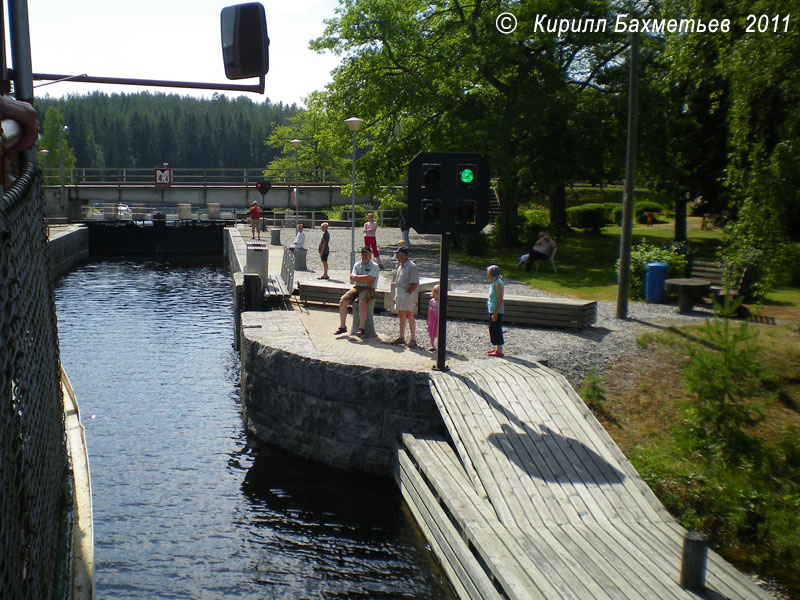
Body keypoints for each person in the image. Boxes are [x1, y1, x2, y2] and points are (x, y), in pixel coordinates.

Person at [335, 246, 380, 336]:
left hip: (369, 289)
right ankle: (342, 326)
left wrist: (358, 278)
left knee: (362, 302)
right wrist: (364, 279)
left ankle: (362, 327)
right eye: (363, 254)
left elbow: (369, 278)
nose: (364, 256)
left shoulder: (374, 266)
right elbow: (352, 277)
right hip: (357, 287)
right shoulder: (357, 264)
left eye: (366, 254)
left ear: (370, 255)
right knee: (342, 301)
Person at [387, 247, 420, 347]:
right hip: (400, 293)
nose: (396, 256)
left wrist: (407, 294)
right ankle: (401, 337)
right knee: (401, 314)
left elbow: (415, 283)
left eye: (398, 254)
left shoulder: (411, 266)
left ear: (403, 255)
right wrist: (396, 296)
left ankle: (413, 339)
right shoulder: (400, 266)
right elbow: (398, 282)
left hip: (406, 293)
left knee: (409, 314)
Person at [487, 265, 505, 357]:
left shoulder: (498, 284)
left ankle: (500, 350)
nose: (488, 276)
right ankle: (497, 348)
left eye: (489, 275)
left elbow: (500, 299)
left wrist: (495, 313)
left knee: (497, 329)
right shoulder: (494, 283)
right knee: (493, 328)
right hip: (492, 309)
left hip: (496, 310)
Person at [426, 284, 440, 352]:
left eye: (439, 292)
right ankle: (432, 344)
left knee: (438, 331)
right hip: (432, 318)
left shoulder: (441, 302)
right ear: (433, 292)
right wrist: (428, 320)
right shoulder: (431, 301)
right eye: (436, 292)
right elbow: (429, 311)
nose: (437, 293)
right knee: (431, 331)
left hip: (438, 319)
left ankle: (439, 345)